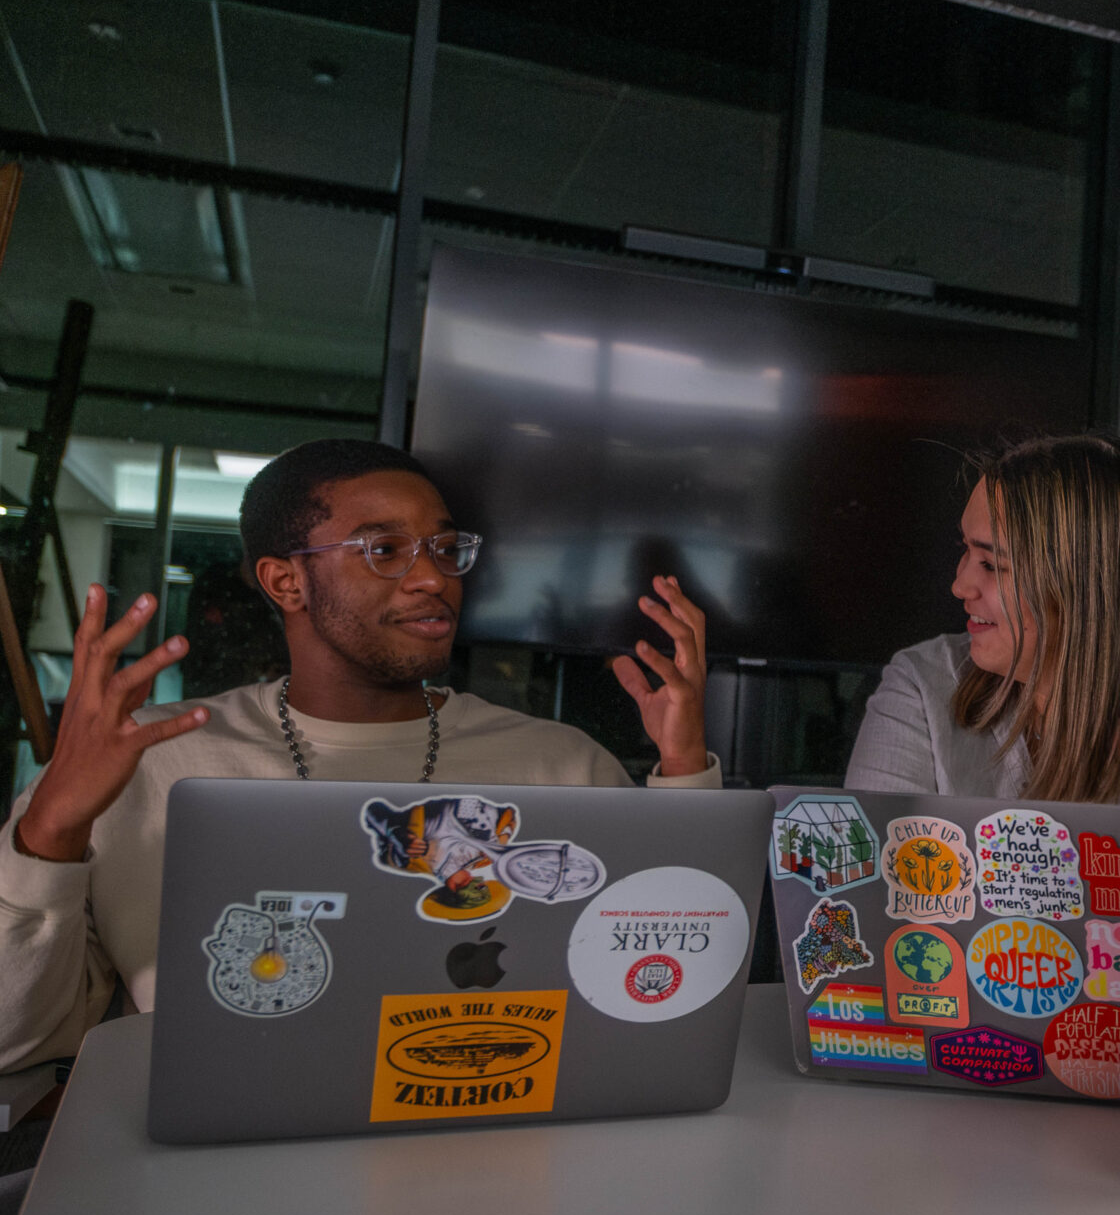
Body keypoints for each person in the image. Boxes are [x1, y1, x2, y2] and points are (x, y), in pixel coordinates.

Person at [0, 439, 723, 1073]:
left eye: (445, 548)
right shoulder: (147, 762)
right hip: (225, 1161)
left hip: (496, 1133)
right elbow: (14, 1042)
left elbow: (668, 992)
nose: (432, 578)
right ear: (286, 581)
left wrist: (686, 767)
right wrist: (53, 827)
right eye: (384, 550)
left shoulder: (563, 764)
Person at [844, 434, 1120, 803]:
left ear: (1083, 583)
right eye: (965, 550)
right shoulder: (923, 684)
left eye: (993, 565)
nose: (960, 586)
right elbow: (870, 895)